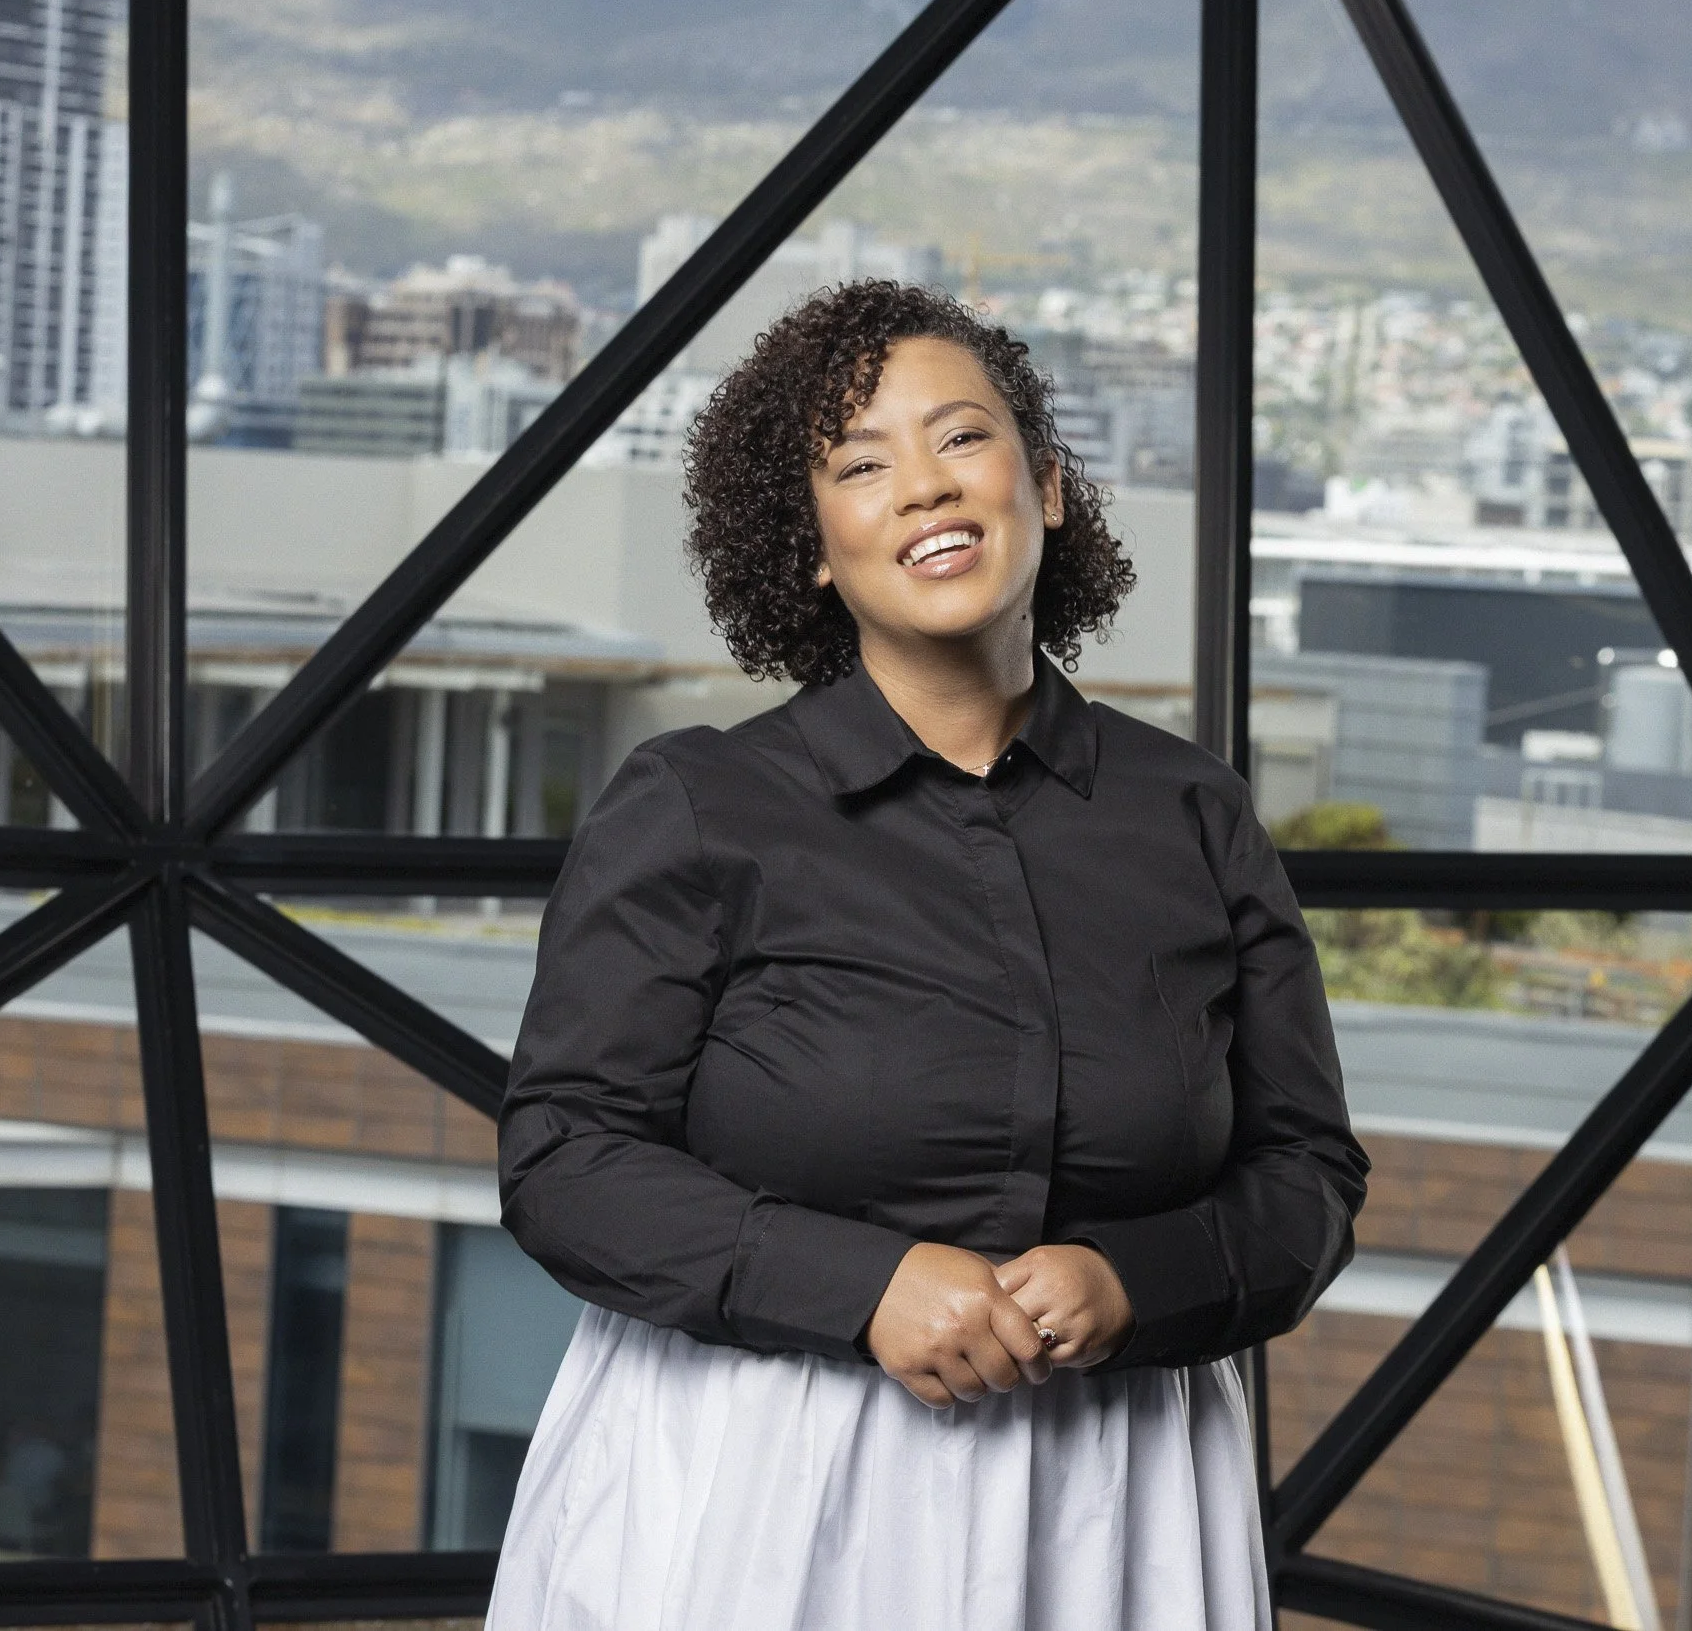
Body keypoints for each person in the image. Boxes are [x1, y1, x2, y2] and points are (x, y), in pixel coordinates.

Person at [486, 279, 1367, 1631]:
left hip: (1116, 1500)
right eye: (860, 464)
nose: (924, 486)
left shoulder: (1193, 814)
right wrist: (862, 1286)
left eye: (962, 437)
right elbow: (563, 1156)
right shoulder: (699, 805)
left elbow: (1307, 1174)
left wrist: (1137, 1281)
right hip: (756, 1485)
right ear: (813, 549)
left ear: (1046, 486)